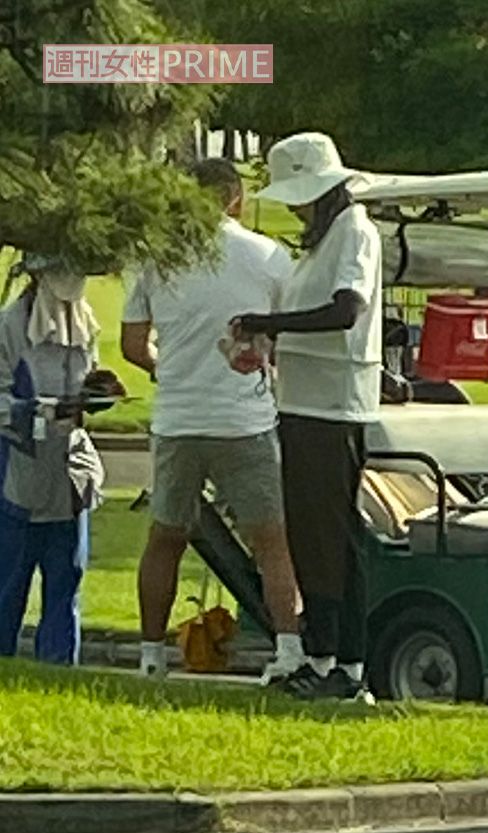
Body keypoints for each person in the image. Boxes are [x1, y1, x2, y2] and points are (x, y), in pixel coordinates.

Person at [121, 158, 304, 682]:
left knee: (165, 538)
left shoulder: (159, 256)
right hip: (245, 419)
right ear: (233, 197)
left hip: (179, 417)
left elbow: (135, 344)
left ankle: (152, 654)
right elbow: (287, 334)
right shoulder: (269, 255)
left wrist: (166, 367)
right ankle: (288, 648)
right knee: (271, 540)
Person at [231, 132, 382, 701]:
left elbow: (346, 311)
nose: (295, 207)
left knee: (334, 536)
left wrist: (270, 327)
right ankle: (322, 658)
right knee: (312, 536)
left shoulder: (355, 232)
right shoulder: (326, 240)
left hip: (333, 406)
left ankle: (349, 664)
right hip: (305, 402)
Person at [0, 255, 120, 664]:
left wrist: (95, 395)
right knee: (8, 580)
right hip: (19, 465)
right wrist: (34, 410)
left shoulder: (84, 322)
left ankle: (59, 666)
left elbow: (87, 379)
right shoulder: (10, 326)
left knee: (66, 578)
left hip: (68, 470)